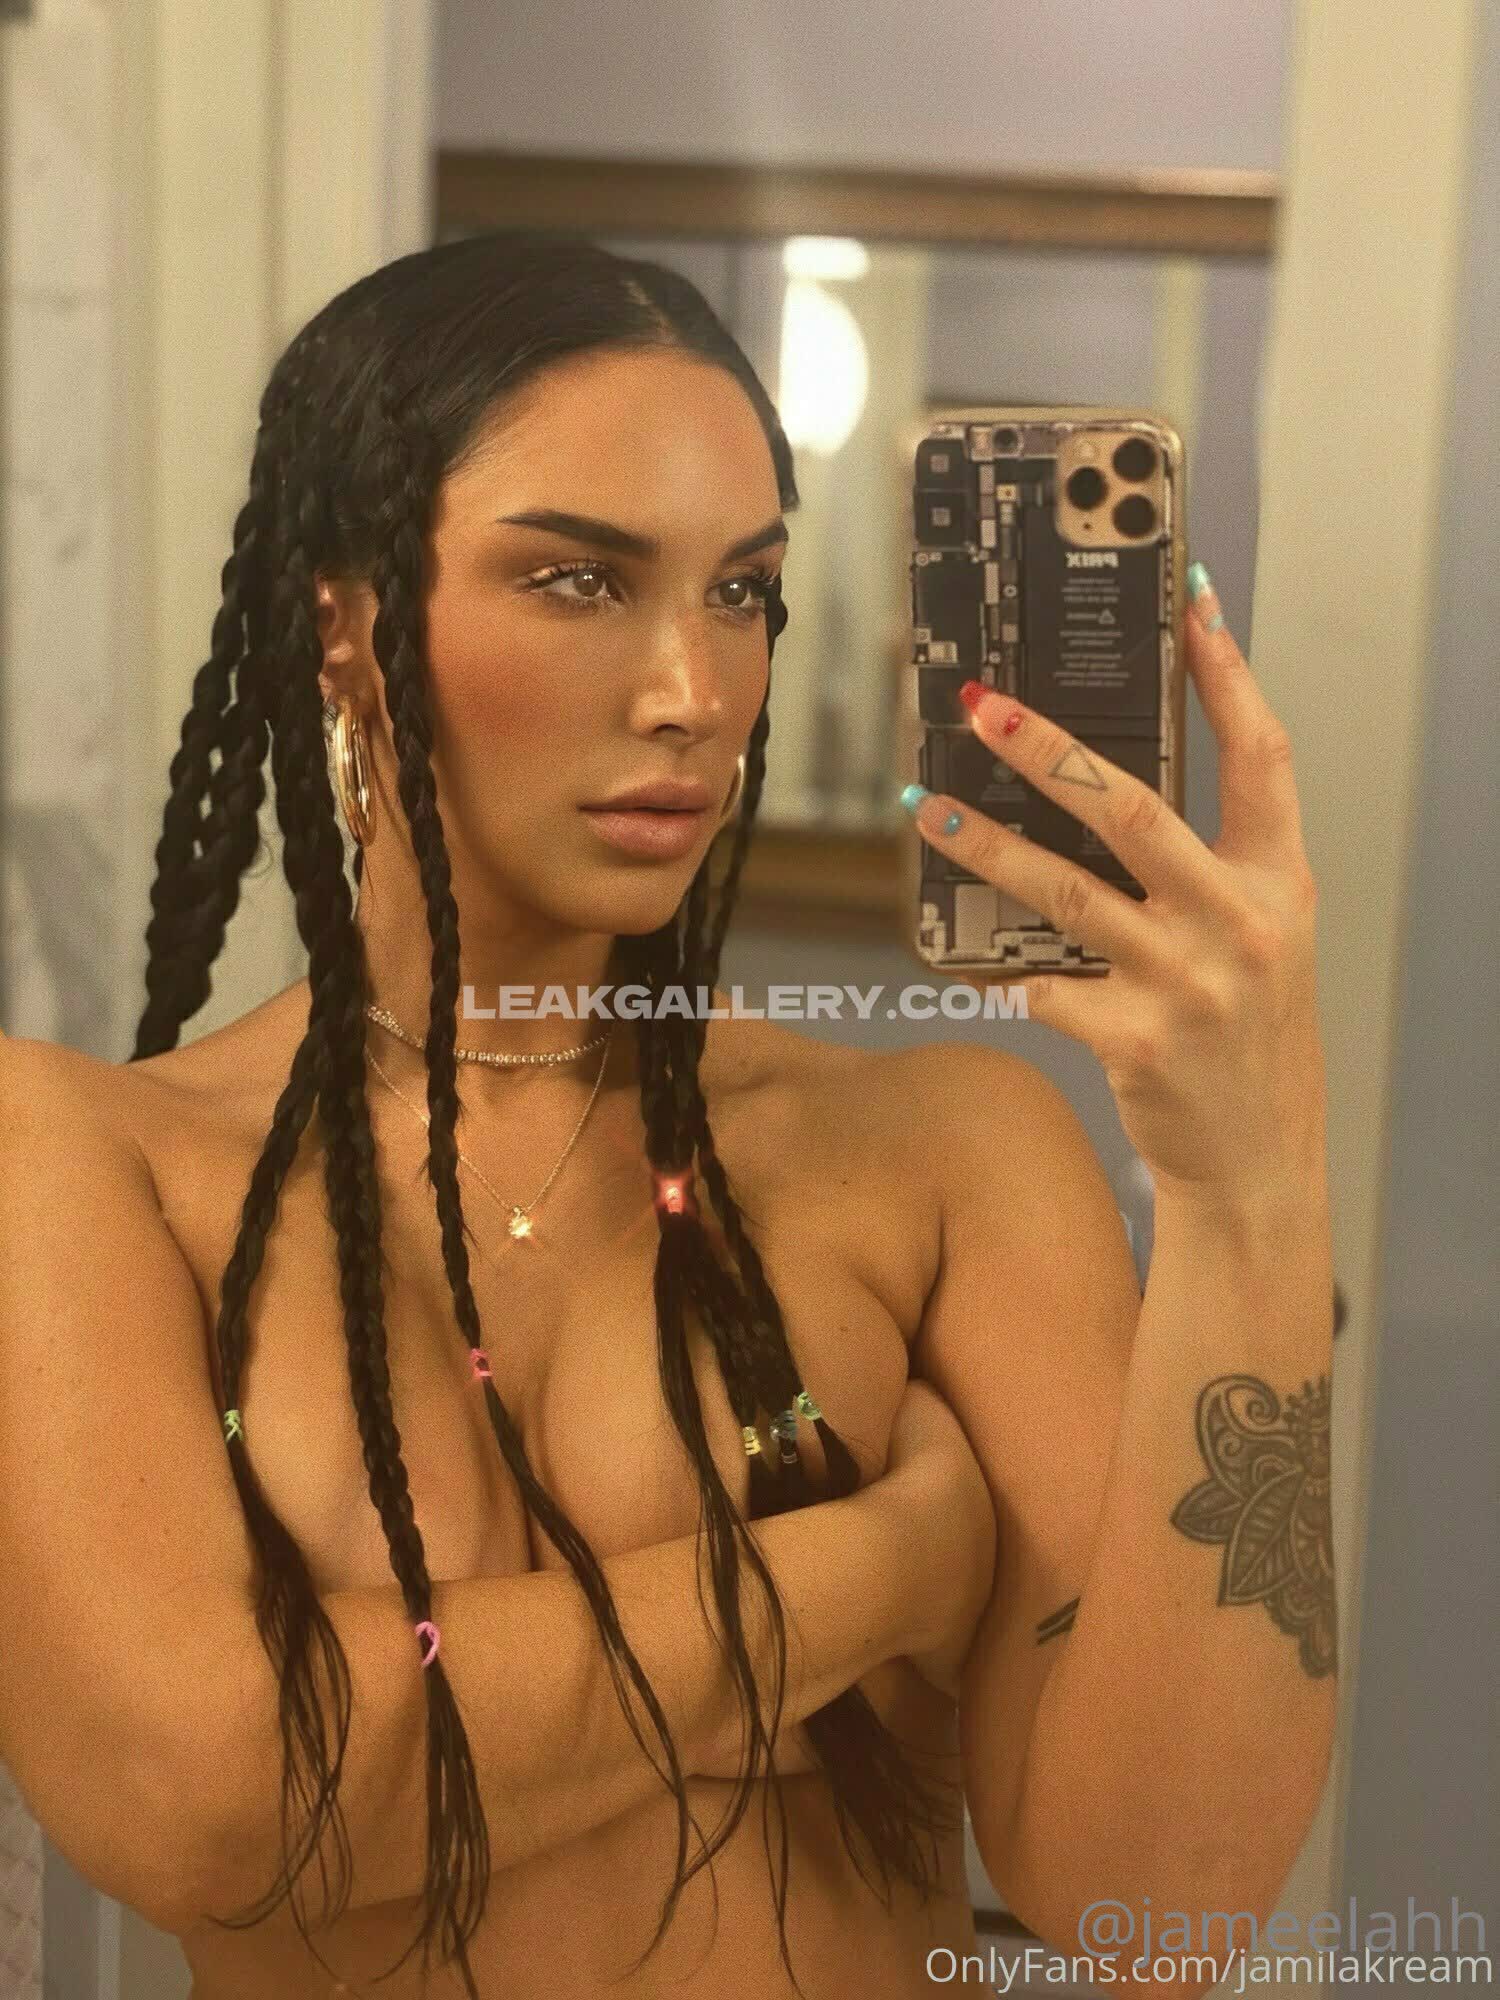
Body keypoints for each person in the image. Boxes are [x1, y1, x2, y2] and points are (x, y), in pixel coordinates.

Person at [0, 230, 1337, 2000]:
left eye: (741, 593)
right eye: (577, 580)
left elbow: (1162, 1909)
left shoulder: (945, 1151)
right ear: (343, 622)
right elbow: (209, 1801)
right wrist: (879, 1567)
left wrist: (1251, 1191)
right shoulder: (86, 1162)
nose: (692, 694)